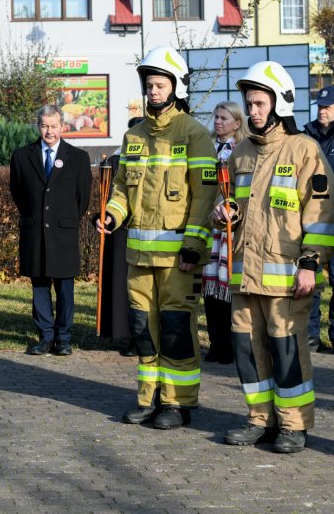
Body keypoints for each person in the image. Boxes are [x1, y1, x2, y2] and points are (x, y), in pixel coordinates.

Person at [213, 62, 334, 454]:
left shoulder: (304, 150)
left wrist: (311, 262)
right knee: (247, 350)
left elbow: (321, 213)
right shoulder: (242, 152)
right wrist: (223, 208)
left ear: (280, 102)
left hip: (286, 277)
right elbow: (226, 196)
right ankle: (259, 420)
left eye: (260, 103)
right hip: (245, 275)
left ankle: (294, 427)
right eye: (250, 104)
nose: (253, 111)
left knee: (287, 352)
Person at [96, 46, 216, 429]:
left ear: (176, 87)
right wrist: (112, 215)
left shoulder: (194, 134)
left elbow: (204, 195)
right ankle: (149, 399)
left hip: (179, 258)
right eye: (149, 85)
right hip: (138, 256)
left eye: (160, 85)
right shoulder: (134, 136)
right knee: (142, 329)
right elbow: (121, 189)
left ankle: (178, 405)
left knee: (177, 330)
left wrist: (194, 246)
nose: (154, 92)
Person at [10, 104, 92, 356]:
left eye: (54, 126)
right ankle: (45, 336)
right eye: (45, 126)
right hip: (35, 231)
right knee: (40, 285)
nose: (49, 131)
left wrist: (65, 219)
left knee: (65, 287)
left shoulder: (78, 158)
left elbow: (83, 197)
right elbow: (18, 192)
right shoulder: (22, 156)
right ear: (38, 126)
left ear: (62, 127)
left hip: (63, 233)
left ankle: (64, 338)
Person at [201, 101, 249, 365]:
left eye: (224, 118)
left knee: (227, 287)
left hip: (229, 226)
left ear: (237, 123)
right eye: (216, 117)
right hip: (208, 224)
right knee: (209, 288)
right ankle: (215, 344)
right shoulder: (206, 148)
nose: (218, 122)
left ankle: (230, 346)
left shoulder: (241, 151)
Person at [99, 117, 143, 357]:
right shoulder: (116, 161)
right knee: (124, 286)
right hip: (122, 230)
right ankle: (128, 336)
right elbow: (109, 194)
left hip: (148, 232)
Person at [303, 85, 334, 353]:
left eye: (327, 106)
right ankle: (311, 337)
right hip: (313, 219)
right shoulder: (306, 136)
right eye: (320, 106)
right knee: (310, 279)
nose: (322, 110)